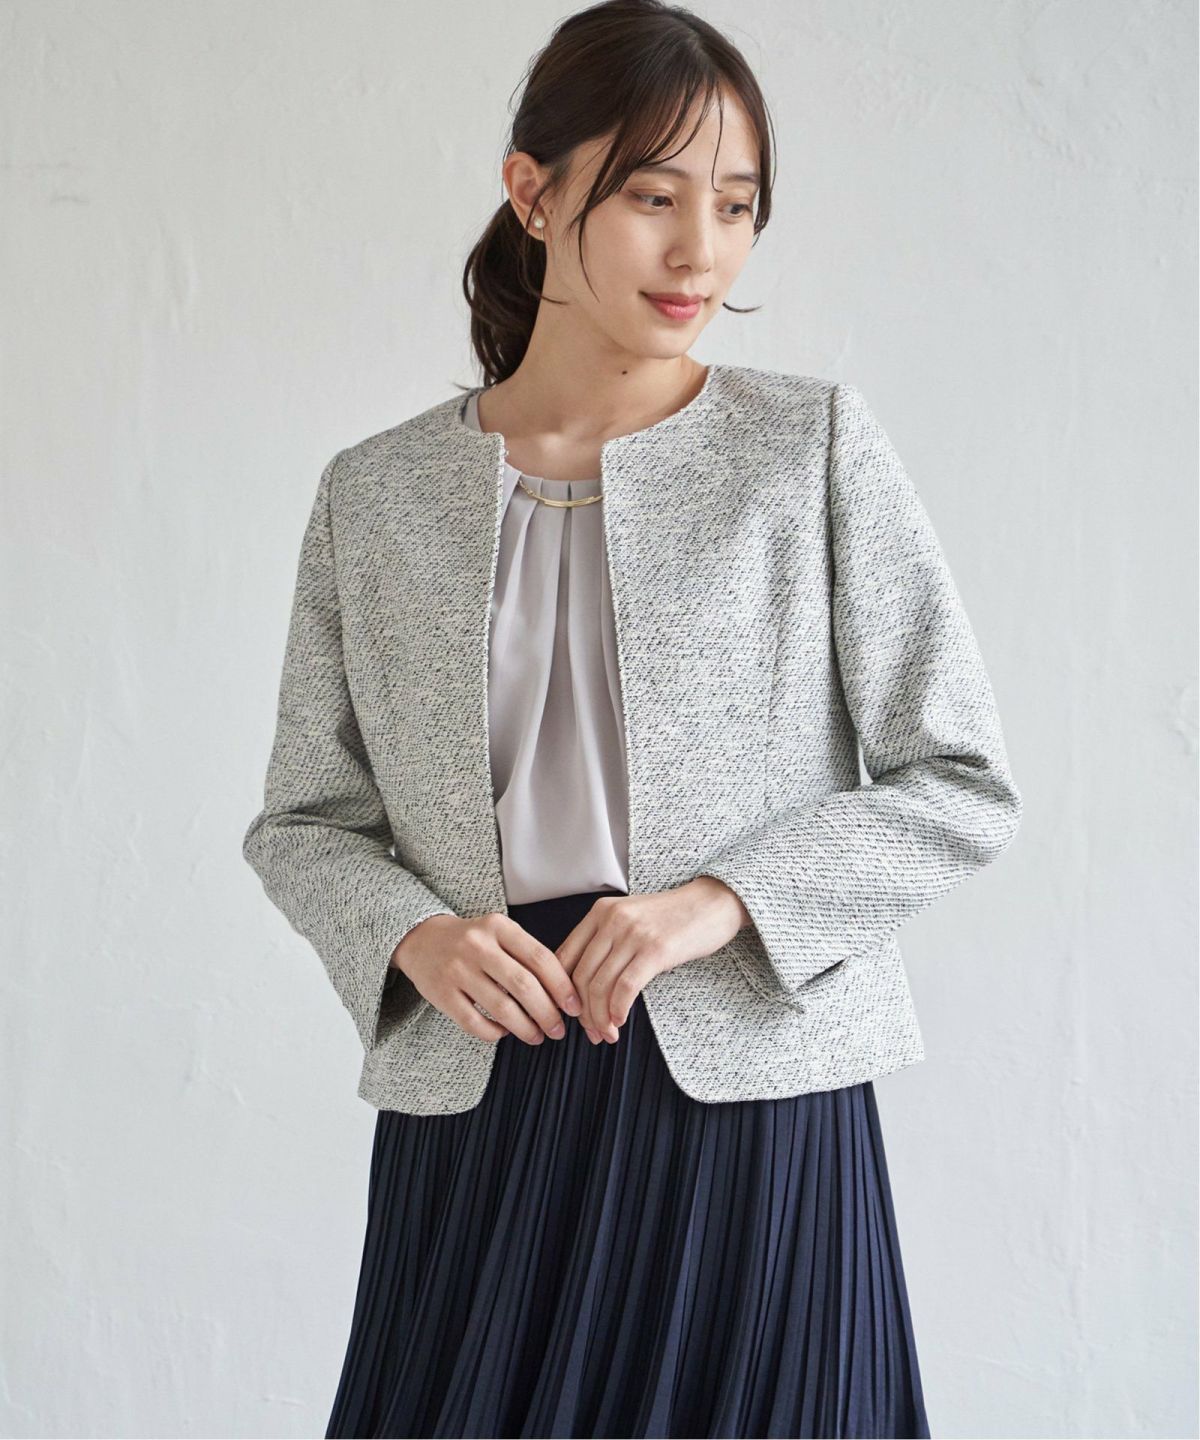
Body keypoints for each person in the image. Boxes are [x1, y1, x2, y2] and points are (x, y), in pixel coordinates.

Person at [242, 2, 1022, 1435]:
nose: (701, 252)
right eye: (655, 198)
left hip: (748, 1098)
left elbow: (959, 780)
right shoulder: (375, 493)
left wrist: (720, 903)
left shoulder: (809, 447)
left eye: (737, 206)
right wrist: (412, 934)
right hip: (484, 1091)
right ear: (533, 193)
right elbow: (304, 819)